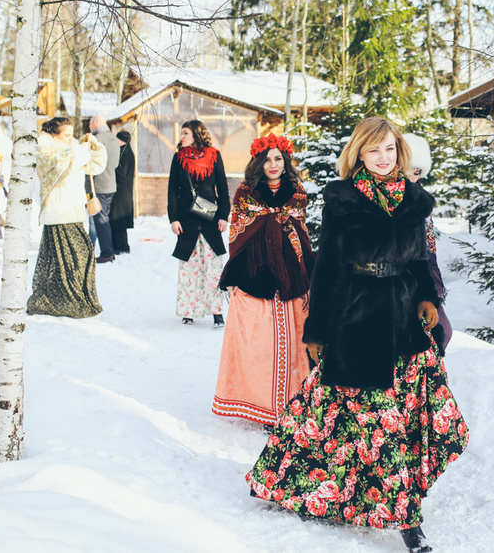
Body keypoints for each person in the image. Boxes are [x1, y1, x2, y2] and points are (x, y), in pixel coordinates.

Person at [245, 117, 468, 553]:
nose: (383, 158)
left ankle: (383, 504)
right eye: (373, 151)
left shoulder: (415, 199)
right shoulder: (343, 200)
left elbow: (420, 259)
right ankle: (404, 523)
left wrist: (426, 298)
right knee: (355, 420)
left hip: (403, 320)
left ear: (398, 151)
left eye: (389, 149)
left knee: (397, 420)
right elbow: (325, 268)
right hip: (356, 315)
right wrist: (317, 329)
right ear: (359, 155)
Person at [213, 133, 315, 425]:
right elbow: (237, 235)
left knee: (294, 342)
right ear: (258, 162)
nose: (273, 164)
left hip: (291, 274)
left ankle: (292, 404)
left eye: (278, 159)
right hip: (255, 274)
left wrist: (307, 272)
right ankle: (261, 405)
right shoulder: (246, 193)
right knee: (258, 344)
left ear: (286, 161)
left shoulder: (297, 192)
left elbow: (302, 234)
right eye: (267, 159)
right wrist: (234, 273)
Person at [27, 116, 107, 318]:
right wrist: (82, 148)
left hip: (74, 212)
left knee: (76, 259)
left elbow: (95, 167)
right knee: (73, 260)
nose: (71, 139)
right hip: (59, 213)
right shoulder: (47, 151)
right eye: (67, 135)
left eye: (72, 135)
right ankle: (67, 301)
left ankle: (69, 299)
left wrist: (95, 148)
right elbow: (65, 163)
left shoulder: (70, 152)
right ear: (54, 135)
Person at [167, 119, 230, 326]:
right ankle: (189, 311)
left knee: (214, 267)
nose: (182, 136)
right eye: (181, 133)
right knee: (189, 268)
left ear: (197, 134)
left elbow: (222, 187)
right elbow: (172, 191)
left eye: (185, 133)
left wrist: (223, 215)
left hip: (210, 220)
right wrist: (173, 218)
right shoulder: (178, 158)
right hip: (187, 221)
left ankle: (216, 311)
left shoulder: (214, 156)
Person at [402, 134, 452, 350]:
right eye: (410, 168)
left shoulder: (421, 197)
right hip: (403, 278)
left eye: (418, 170)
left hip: (424, 271)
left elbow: (428, 242)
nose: (414, 174)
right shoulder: (393, 198)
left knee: (442, 331)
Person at [85, 115, 121, 263]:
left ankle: (106, 251)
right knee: (102, 218)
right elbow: (116, 163)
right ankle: (103, 249)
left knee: (99, 220)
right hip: (110, 183)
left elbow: (90, 163)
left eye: (89, 124)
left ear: (94, 124)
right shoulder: (113, 138)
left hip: (98, 185)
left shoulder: (97, 140)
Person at [110, 130, 135, 255]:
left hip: (121, 191)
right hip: (125, 191)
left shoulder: (124, 153)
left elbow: (121, 173)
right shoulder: (129, 152)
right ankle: (120, 245)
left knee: (117, 219)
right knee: (119, 221)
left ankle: (120, 246)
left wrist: (113, 174)